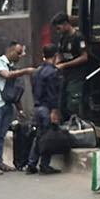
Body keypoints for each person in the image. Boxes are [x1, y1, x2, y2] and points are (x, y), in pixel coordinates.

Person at [0, 41, 35, 175]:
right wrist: (25, 71)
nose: (20, 56)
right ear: (11, 51)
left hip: (7, 104)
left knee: (1, 135)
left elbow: (15, 90)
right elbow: (6, 75)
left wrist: (20, 109)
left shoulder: (12, 66)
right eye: (18, 53)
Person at [26, 45, 64, 175]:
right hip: (47, 109)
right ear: (55, 56)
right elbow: (53, 94)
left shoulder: (37, 71)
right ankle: (44, 165)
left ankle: (31, 163)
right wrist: (54, 111)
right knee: (48, 137)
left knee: (39, 136)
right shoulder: (53, 72)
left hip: (37, 108)